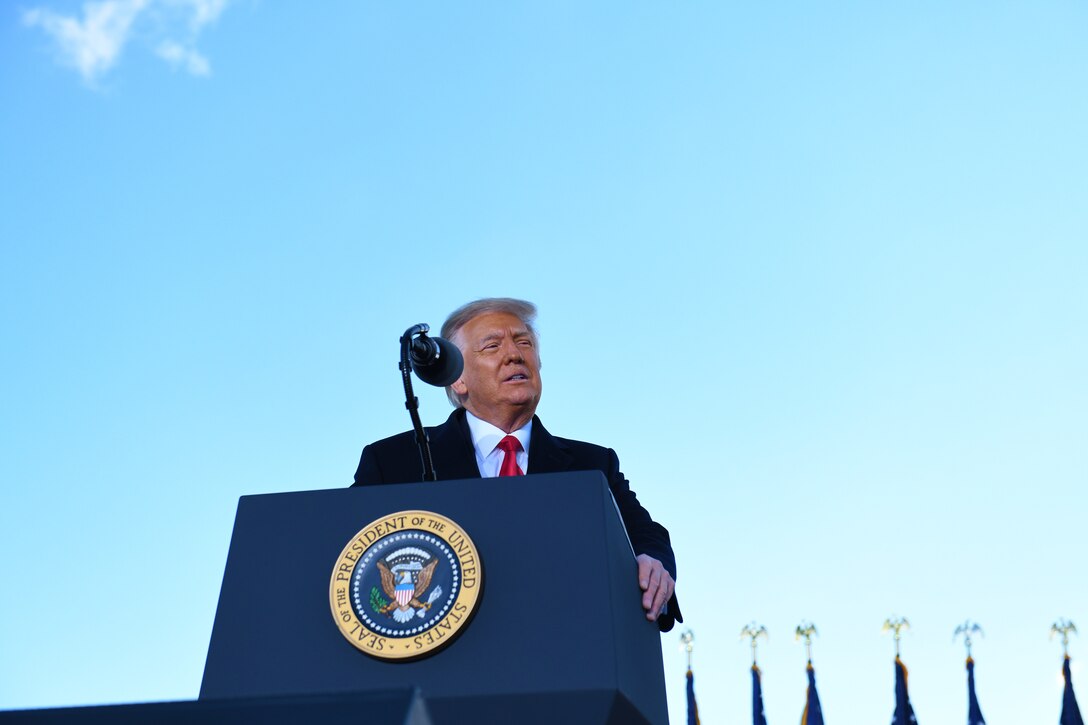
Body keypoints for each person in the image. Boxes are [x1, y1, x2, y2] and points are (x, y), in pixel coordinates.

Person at [353, 298, 681, 631]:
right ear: (457, 379)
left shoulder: (592, 464)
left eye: (523, 342)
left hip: (563, 646)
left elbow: (645, 534)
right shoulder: (393, 463)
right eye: (492, 346)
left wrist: (651, 561)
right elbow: (345, 552)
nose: (515, 354)